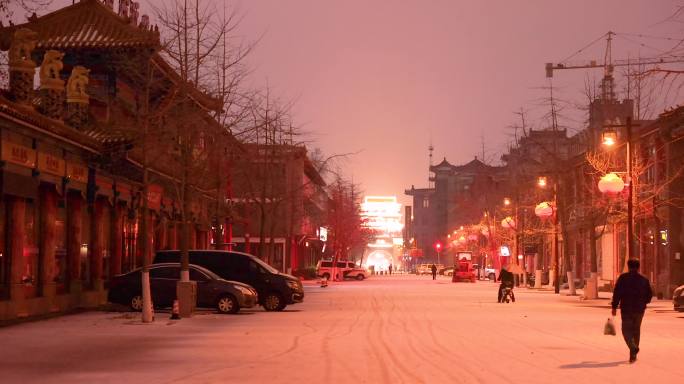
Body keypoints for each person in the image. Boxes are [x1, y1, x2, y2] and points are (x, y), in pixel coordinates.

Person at [611, 259, 652, 363]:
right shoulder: (644, 279)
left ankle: (633, 348)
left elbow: (617, 293)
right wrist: (644, 303)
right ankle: (633, 354)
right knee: (636, 330)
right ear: (638, 267)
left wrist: (614, 307)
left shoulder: (623, 278)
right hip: (639, 310)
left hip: (626, 309)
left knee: (626, 331)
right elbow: (649, 294)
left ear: (628, 266)